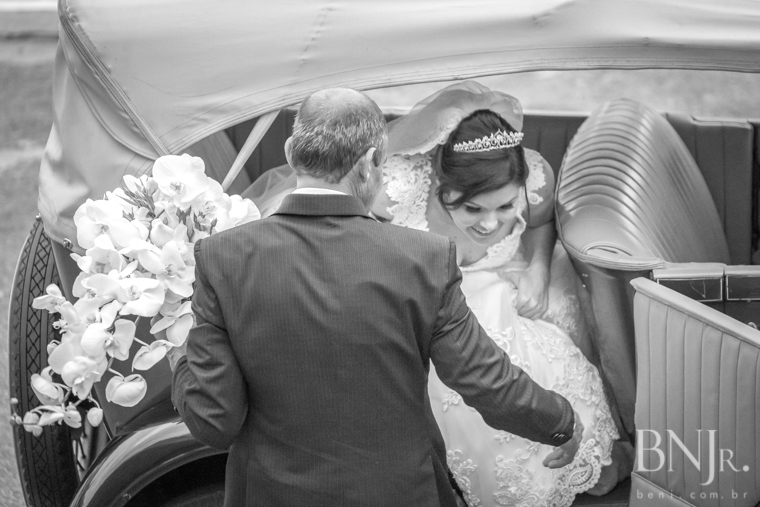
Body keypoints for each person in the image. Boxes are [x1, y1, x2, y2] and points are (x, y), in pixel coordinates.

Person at [169, 87, 583, 507]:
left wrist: (180, 354)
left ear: (292, 153)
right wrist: (560, 422)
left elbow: (213, 421)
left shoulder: (221, 258)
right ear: (370, 163)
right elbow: (485, 380)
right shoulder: (426, 259)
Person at [366, 81, 632, 506]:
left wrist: (539, 271)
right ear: (441, 184)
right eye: (472, 208)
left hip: (505, 285)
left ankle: (575, 461)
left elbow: (542, 223)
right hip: (434, 304)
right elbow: (355, 240)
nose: (490, 224)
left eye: (505, 207)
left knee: (535, 349)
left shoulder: (535, 178)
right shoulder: (394, 189)